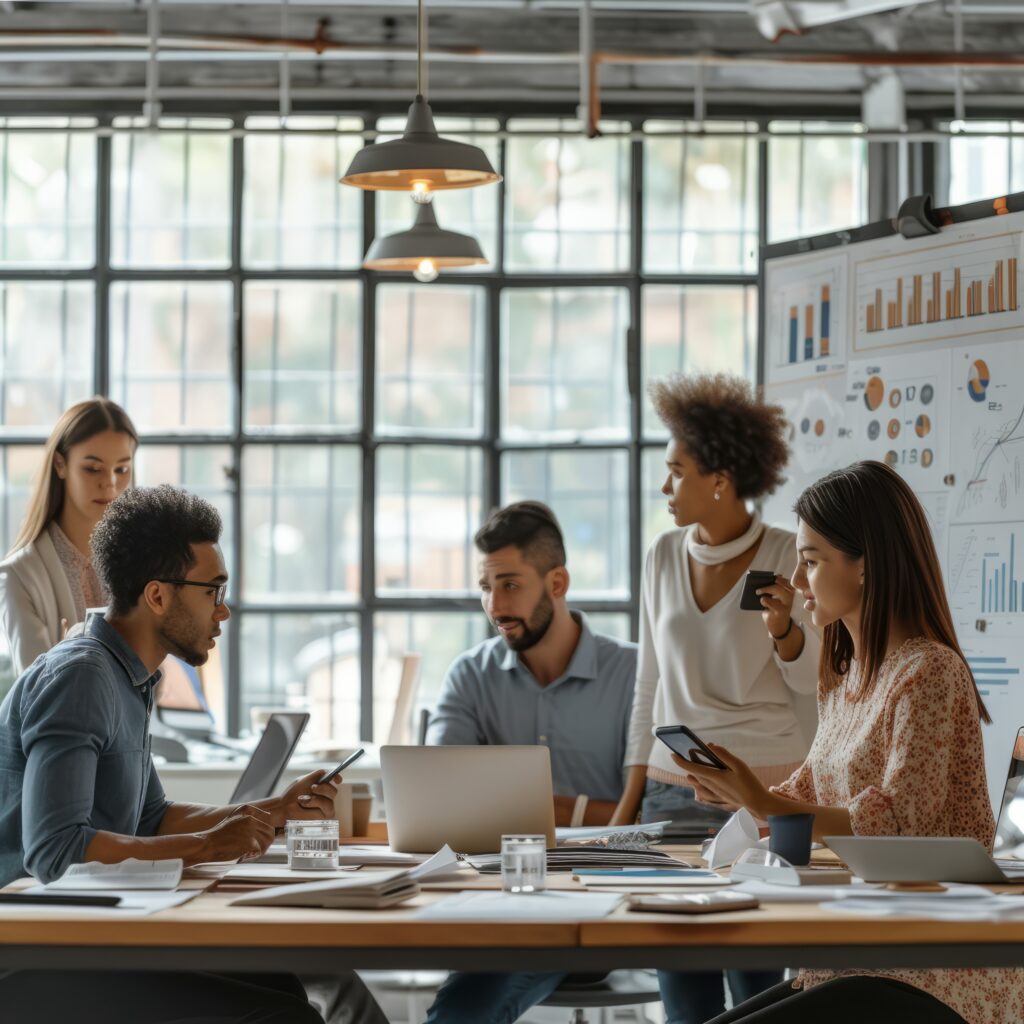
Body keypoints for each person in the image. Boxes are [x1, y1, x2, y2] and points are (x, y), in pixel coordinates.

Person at [0, 484, 384, 1024]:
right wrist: (206, 845)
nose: (223, 612)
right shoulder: (81, 678)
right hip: (35, 958)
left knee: (294, 983)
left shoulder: (130, 676)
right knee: (282, 1014)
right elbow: (55, 853)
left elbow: (152, 818)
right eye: (214, 592)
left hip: (90, 935)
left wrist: (272, 812)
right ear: (158, 596)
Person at [679, 460, 1023, 1024]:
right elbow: (812, 788)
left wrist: (766, 804)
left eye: (811, 561)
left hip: (932, 970)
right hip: (860, 955)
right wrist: (743, 794)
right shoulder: (847, 679)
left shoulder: (929, 672)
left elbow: (900, 821)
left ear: (866, 566)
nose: (794, 580)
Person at [608, 373, 821, 1024]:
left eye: (676, 472)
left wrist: (784, 629)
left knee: (757, 984)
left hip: (763, 791)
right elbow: (650, 682)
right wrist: (628, 801)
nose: (666, 488)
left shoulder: (789, 553)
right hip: (673, 792)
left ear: (720, 478)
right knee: (681, 989)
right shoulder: (662, 555)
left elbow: (809, 683)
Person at [423, 500, 637, 1023]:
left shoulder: (635, 674)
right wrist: (584, 811)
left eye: (510, 585)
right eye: (484, 587)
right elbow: (437, 795)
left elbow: (650, 819)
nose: (494, 606)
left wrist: (515, 806)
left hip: (612, 898)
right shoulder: (469, 676)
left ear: (557, 583)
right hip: (500, 900)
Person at [0, 397, 138, 678]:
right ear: (60, 465)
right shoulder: (19, 576)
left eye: (122, 469)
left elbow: (157, 682)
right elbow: (37, 695)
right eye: (93, 468)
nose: (110, 483)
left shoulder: (142, 564)